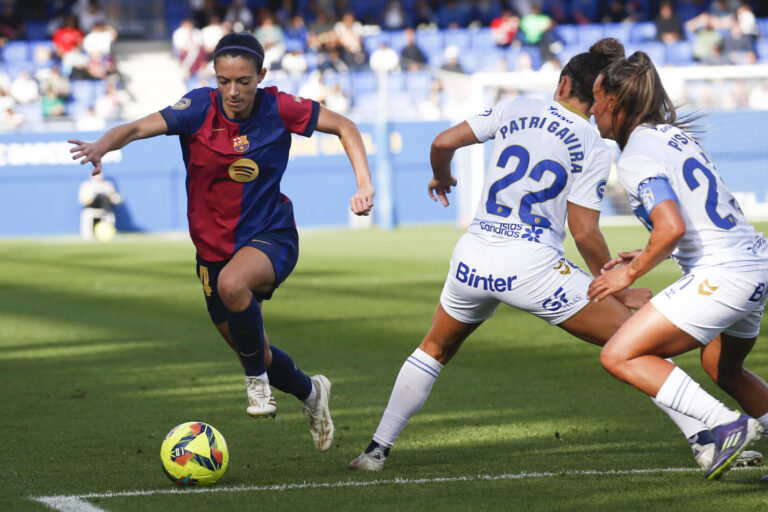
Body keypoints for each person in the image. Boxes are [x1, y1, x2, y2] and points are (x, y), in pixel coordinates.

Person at [349, 39, 761, 472]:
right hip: (534, 268)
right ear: (597, 91)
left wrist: (442, 176)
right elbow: (584, 233)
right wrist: (617, 287)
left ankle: (376, 451)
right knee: (638, 343)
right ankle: (708, 437)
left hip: (473, 256)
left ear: (564, 82)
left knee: (432, 349)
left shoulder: (515, 107)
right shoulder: (597, 144)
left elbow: (441, 141)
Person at [69, 32, 375, 451]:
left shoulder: (279, 107)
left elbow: (345, 126)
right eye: (224, 81)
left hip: (271, 235)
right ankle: (311, 393)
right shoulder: (197, 107)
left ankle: (256, 386)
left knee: (235, 288)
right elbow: (139, 126)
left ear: (261, 76)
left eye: (244, 82)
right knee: (257, 350)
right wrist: (104, 143)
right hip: (211, 253)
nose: (233, 91)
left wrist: (364, 184)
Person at [587, 51, 768, 480]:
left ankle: (726, 424)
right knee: (722, 367)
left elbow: (670, 226)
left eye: (596, 99)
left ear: (614, 101)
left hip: (724, 273)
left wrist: (628, 274)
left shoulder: (634, 155)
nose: (592, 109)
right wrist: (648, 247)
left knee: (620, 354)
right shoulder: (671, 136)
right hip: (755, 264)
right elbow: (685, 219)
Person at [78, 171, 122, 240]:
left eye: (100, 174)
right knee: (99, 196)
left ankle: (108, 231)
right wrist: (93, 197)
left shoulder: (108, 185)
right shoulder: (86, 185)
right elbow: (83, 201)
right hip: (92, 206)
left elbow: (113, 198)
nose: (98, 176)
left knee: (103, 197)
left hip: (105, 208)